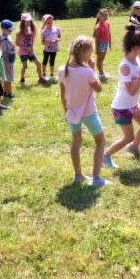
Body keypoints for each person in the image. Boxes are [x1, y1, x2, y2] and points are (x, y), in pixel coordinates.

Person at [103, 25, 140, 170]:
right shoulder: (125, 66)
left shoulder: (138, 60)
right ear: (135, 47)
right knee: (128, 137)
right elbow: (130, 90)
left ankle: (133, 147)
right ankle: (106, 155)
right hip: (121, 107)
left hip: (133, 105)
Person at [58, 36, 111, 187]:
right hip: (89, 112)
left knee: (76, 142)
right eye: (90, 52)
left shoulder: (62, 70)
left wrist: (66, 112)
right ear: (85, 53)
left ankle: (78, 175)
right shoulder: (87, 72)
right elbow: (98, 89)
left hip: (72, 113)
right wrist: (92, 69)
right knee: (100, 141)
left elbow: (63, 95)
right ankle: (96, 178)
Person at [16, 13, 44, 85]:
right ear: (22, 22)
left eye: (29, 21)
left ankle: (41, 79)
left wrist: (31, 49)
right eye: (26, 21)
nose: (28, 23)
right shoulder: (19, 32)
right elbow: (17, 43)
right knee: (25, 66)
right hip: (23, 53)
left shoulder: (31, 30)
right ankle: (22, 78)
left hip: (30, 52)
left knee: (38, 64)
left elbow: (32, 41)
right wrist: (25, 48)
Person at [41, 14, 62, 82]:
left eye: (51, 22)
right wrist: (48, 42)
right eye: (48, 22)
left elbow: (59, 37)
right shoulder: (44, 31)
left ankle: (52, 75)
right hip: (46, 49)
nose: (50, 23)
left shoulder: (57, 29)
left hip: (54, 49)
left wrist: (57, 39)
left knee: (52, 61)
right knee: (45, 61)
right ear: (45, 23)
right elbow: (42, 42)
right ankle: (44, 75)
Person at [93, 8, 111, 81]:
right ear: (99, 16)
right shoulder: (98, 27)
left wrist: (109, 44)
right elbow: (96, 39)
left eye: (106, 16)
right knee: (99, 59)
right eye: (104, 16)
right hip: (100, 44)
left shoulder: (107, 23)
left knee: (102, 59)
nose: (105, 17)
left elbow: (109, 34)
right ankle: (101, 74)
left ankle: (101, 73)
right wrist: (97, 49)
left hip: (105, 43)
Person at [0, 19, 16, 99]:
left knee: (8, 77)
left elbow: (12, 46)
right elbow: (4, 53)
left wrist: (13, 45)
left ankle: (5, 91)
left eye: (11, 30)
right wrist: (6, 65)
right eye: (9, 30)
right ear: (3, 29)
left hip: (11, 59)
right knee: (8, 78)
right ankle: (9, 93)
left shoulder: (8, 36)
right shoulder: (3, 39)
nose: (10, 31)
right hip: (7, 61)